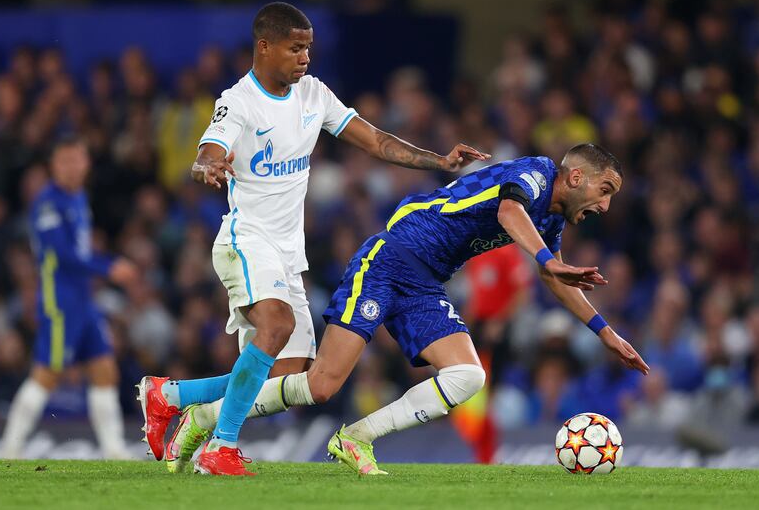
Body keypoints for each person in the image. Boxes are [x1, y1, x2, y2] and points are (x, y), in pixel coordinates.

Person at [137, 1, 487, 476]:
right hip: (246, 238)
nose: (304, 57)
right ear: (264, 47)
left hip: (287, 252)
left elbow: (376, 140)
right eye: (295, 48)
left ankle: (171, 398)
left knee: (289, 375)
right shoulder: (237, 100)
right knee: (275, 326)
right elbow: (210, 147)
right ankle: (220, 446)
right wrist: (208, 164)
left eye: (309, 48)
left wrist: (439, 162)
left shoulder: (313, 95)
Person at [163, 143, 649, 475]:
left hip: (426, 283)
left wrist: (606, 334)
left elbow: (554, 276)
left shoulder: (553, 218)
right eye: (605, 191)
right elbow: (507, 211)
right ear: (577, 176)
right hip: (391, 258)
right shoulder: (538, 174)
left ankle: (355, 438)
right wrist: (545, 258)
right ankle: (203, 418)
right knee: (321, 384)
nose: (605, 206)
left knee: (468, 375)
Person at [1, 136, 139, 459]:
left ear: (86, 163)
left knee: (105, 367)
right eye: (64, 161)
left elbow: (79, 251)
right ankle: (10, 448)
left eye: (77, 160)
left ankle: (113, 449)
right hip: (59, 301)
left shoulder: (78, 198)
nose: (72, 167)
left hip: (83, 301)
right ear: (53, 165)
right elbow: (63, 256)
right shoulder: (47, 203)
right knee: (48, 372)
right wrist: (109, 267)